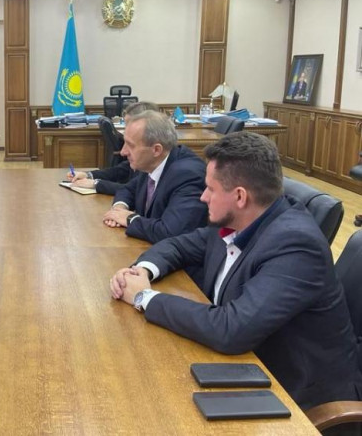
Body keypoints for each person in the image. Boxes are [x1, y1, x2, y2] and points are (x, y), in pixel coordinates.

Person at [110, 132, 362, 410]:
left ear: (240, 196)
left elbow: (231, 329)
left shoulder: (296, 245)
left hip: (298, 396)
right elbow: (179, 245)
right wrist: (143, 271)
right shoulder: (239, 220)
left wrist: (144, 297)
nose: (203, 197)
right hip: (245, 364)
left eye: (210, 189)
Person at [102, 110, 207, 243]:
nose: (123, 152)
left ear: (156, 150)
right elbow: (128, 189)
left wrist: (129, 219)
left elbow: (170, 232)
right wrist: (119, 208)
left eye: (131, 145)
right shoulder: (150, 162)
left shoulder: (188, 175)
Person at [67, 102, 159, 195]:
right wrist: (88, 175)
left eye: (129, 125)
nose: (122, 152)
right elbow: (120, 171)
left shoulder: (150, 155)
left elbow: (134, 191)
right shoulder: (139, 156)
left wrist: (96, 184)